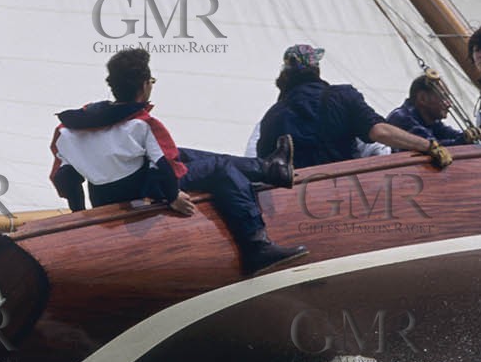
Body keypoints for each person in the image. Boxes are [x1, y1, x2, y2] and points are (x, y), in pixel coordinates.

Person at [50, 47, 307, 275]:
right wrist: (172, 196)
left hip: (103, 195)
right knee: (221, 169)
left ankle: (270, 169)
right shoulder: (143, 124)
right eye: (151, 80)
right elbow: (166, 167)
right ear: (143, 86)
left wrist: (80, 215)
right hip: (145, 187)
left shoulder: (68, 130)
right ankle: (257, 247)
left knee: (181, 152)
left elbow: (64, 177)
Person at [256, 44, 455, 169]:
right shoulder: (342, 96)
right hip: (343, 189)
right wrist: (430, 146)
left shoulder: (272, 116)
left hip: (297, 201)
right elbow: (380, 132)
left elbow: (265, 165)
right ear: (317, 69)